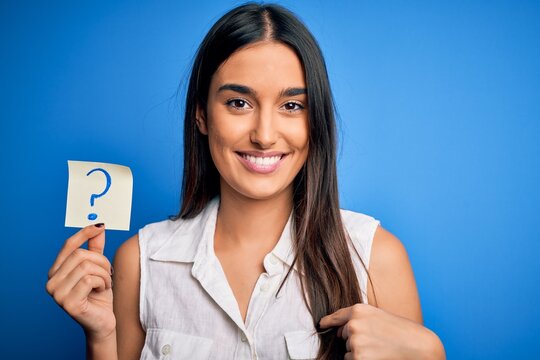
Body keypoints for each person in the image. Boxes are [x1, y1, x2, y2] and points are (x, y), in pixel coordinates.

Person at [46, 3, 445, 359]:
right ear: (201, 115)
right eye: (239, 103)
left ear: (315, 120)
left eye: (292, 106)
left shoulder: (376, 258)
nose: (265, 134)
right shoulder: (139, 261)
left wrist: (430, 355)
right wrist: (101, 338)